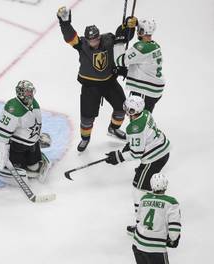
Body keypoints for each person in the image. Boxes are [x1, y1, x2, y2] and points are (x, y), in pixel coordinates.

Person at [57, 6, 137, 152]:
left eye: (95, 39)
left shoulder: (108, 40)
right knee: (87, 117)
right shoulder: (81, 45)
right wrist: (65, 23)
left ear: (99, 37)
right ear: (87, 39)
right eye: (91, 40)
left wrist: (128, 26)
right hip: (90, 87)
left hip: (109, 83)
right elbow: (70, 37)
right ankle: (85, 138)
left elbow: (122, 38)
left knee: (122, 108)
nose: (93, 42)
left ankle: (113, 129)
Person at [105, 95, 170, 232]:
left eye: (130, 110)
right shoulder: (146, 113)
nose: (128, 112)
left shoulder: (134, 127)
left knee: (138, 189)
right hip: (163, 149)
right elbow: (143, 138)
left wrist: (118, 157)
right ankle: (154, 216)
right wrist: (129, 146)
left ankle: (142, 224)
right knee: (144, 185)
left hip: (153, 158)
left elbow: (136, 153)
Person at [0, 80, 51, 184]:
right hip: (17, 147)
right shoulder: (13, 108)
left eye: (31, 92)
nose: (30, 95)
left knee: (33, 161)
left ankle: (31, 162)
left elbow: (33, 124)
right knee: (16, 161)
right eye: (27, 92)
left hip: (33, 144)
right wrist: (1, 150)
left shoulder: (33, 104)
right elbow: (2, 132)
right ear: (20, 93)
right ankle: (5, 160)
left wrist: (38, 137)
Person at [114, 18, 165, 113]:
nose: (137, 31)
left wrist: (119, 41)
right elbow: (142, 65)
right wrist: (128, 72)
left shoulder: (142, 47)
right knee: (142, 116)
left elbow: (119, 60)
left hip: (145, 90)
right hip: (153, 88)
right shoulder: (154, 46)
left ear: (141, 31)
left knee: (136, 115)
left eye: (138, 29)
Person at [132, 173, 181, 264]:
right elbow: (174, 234)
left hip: (138, 244)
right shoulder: (171, 203)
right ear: (166, 185)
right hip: (156, 249)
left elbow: (139, 220)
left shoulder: (144, 198)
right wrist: (172, 240)